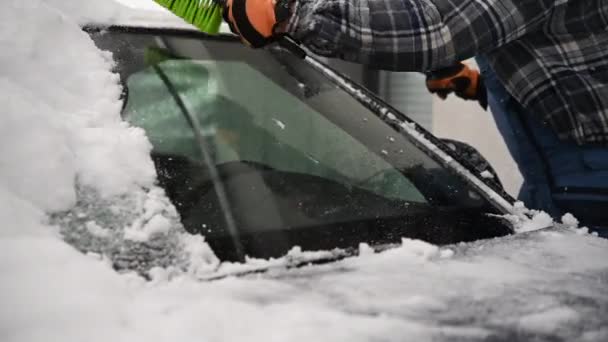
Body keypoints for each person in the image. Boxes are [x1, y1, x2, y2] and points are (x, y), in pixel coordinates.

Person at [221, 0, 608, 235]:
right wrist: (481, 85)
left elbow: (434, 29)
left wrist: (294, 15)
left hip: (592, 184)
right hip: (561, 179)